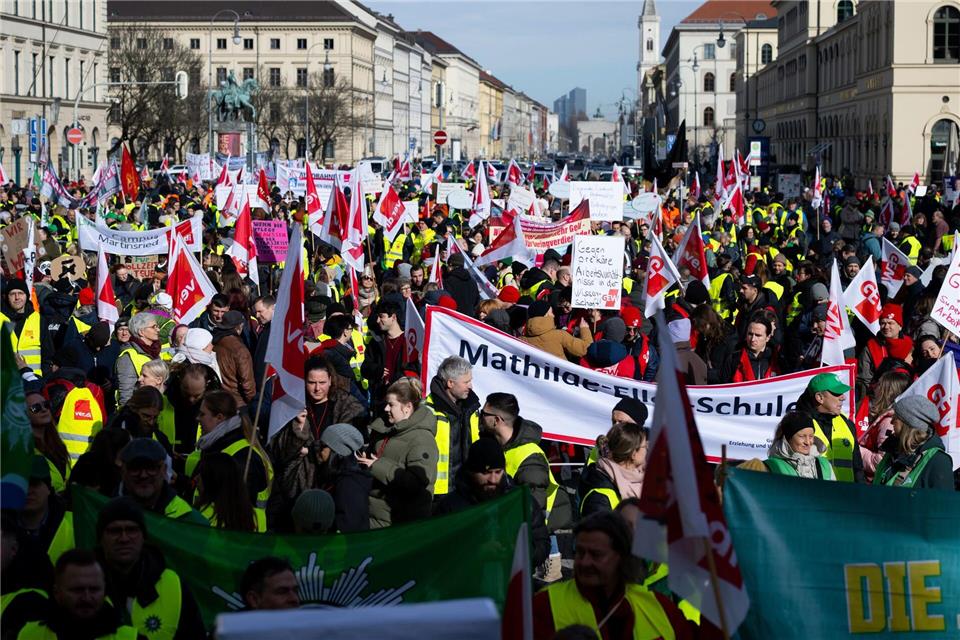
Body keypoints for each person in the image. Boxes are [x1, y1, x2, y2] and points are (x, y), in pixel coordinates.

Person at [532, 511, 695, 640]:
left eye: (596, 554)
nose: (585, 562)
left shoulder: (659, 607)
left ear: (622, 557)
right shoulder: (545, 605)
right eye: (580, 553)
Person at [95, 497, 206, 639]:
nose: (124, 538)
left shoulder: (173, 585)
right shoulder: (82, 586)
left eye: (131, 530)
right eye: (114, 531)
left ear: (143, 536)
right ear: (100, 537)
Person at [434, 437, 550, 568]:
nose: (493, 479)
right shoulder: (450, 507)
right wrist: (477, 552)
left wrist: (517, 551)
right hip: (467, 585)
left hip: (511, 583)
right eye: (486, 473)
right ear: (470, 472)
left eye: (498, 472)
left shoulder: (522, 501)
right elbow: (439, 553)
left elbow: (542, 543)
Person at [357, 377, 438, 528]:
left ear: (407, 407)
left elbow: (417, 483)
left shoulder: (422, 439)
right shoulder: (383, 430)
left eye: (391, 404)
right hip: (373, 515)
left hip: (399, 525)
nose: (386, 409)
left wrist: (378, 466)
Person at [191, 391, 272, 529]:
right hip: (210, 530)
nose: (197, 418)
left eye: (202, 414)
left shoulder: (245, 458)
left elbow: (239, 506)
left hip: (235, 537)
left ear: (219, 417)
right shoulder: (215, 446)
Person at [16, 549, 138, 640]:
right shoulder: (30, 635)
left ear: (105, 590)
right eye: (77, 590)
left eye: (94, 589)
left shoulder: (130, 638)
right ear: (57, 592)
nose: (87, 597)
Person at [480, 393, 560, 520]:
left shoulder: (531, 458)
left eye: (483, 414)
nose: (480, 417)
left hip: (525, 533)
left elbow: (532, 509)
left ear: (496, 420)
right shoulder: (492, 445)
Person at [116, 438, 208, 525]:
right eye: (135, 468)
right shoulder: (110, 515)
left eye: (151, 467)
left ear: (164, 470)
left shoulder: (192, 521)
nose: (143, 475)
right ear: (123, 472)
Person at [425, 356, 481, 496]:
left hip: (468, 487)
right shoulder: (428, 410)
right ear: (450, 383)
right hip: (438, 492)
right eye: (466, 382)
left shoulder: (472, 408)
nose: (471, 386)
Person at [794, 373, 863, 483]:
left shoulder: (847, 424)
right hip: (814, 497)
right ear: (819, 397)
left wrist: (860, 495)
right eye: (837, 393)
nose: (843, 397)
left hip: (846, 496)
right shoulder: (797, 425)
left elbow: (857, 468)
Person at [874, 396, 954, 490]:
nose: (891, 422)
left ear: (907, 424)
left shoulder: (938, 461)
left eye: (896, 418)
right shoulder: (892, 449)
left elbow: (943, 503)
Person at [578, 422, 648, 517]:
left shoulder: (644, 479)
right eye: (644, 446)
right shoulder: (599, 498)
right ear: (633, 454)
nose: (647, 449)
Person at [303, 356, 366, 439]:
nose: (317, 388)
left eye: (322, 382)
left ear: (330, 380)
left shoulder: (345, 405)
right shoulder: (297, 406)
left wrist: (310, 450)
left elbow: (343, 443)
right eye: (312, 383)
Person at [194, 451, 258, 532]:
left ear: (213, 482)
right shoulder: (260, 517)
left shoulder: (199, 517)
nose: (196, 478)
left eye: (202, 474)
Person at [763, 412, 836, 480]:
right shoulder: (771, 467)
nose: (808, 442)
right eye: (802, 436)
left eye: (811, 436)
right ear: (787, 439)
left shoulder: (824, 465)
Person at [115, 312, 162, 405]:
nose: (158, 330)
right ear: (141, 332)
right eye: (154, 327)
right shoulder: (128, 357)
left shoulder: (154, 351)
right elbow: (126, 395)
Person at [522, 300, 593, 361]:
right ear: (546, 314)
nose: (554, 315)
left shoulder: (521, 340)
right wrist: (585, 329)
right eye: (551, 312)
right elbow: (586, 350)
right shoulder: (559, 335)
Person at [212, 310, 256, 408]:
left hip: (218, 399)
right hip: (236, 403)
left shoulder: (214, 343)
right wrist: (252, 403)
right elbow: (247, 383)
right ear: (239, 326)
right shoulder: (240, 350)